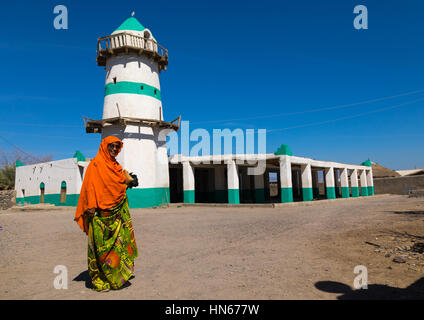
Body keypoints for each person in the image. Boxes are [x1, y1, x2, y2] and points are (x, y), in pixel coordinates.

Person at [74, 136, 139, 292]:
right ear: (104, 146)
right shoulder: (95, 165)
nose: (115, 149)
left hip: (116, 214)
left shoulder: (117, 166)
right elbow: (90, 187)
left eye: (117, 146)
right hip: (99, 215)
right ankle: (99, 280)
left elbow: (119, 182)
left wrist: (130, 182)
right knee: (100, 251)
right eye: (112, 146)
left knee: (118, 248)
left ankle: (116, 278)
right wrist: (90, 207)